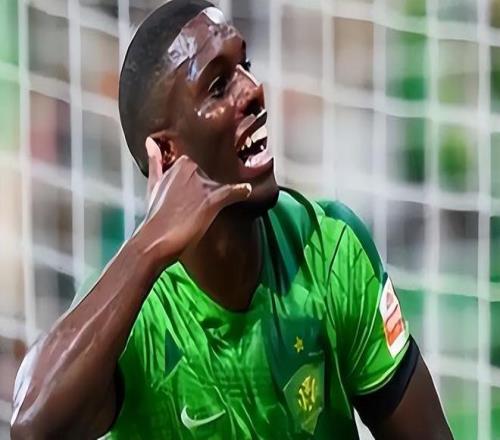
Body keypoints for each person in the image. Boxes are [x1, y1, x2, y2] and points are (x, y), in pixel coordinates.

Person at [10, 1, 453, 438]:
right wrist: (150, 243)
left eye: (246, 66)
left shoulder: (329, 249)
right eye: (219, 86)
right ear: (167, 153)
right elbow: (32, 426)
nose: (254, 89)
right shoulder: (131, 313)